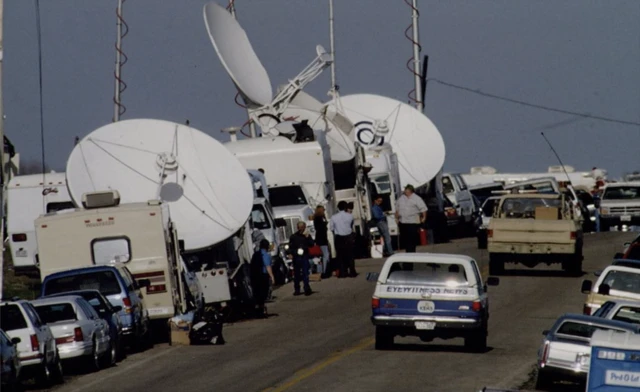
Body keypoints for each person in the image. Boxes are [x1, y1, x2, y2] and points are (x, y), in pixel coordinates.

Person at [395, 184, 428, 253]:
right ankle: (408, 253)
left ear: (411, 191)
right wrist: (396, 218)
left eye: (407, 190)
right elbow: (397, 209)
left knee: (411, 240)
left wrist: (424, 217)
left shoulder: (417, 198)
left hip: (412, 222)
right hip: (403, 222)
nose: (405, 191)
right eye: (405, 190)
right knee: (405, 240)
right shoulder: (401, 198)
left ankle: (412, 253)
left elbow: (423, 209)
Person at [330, 201, 357, 277]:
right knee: (350, 255)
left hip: (339, 237)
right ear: (345, 207)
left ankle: (342, 272)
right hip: (348, 236)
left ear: (338, 207)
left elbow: (331, 228)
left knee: (340, 256)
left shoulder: (334, 217)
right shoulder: (350, 216)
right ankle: (352, 271)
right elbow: (351, 226)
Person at [250, 239, 275, 318]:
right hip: (263, 276)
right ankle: (262, 310)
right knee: (263, 293)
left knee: (257, 293)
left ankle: (258, 310)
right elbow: (267, 266)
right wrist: (272, 276)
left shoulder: (255, 254)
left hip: (255, 276)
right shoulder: (265, 255)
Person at [288, 221, 314, 296]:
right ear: (298, 228)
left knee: (305, 273)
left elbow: (312, 244)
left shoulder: (307, 236)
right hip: (296, 257)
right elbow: (290, 247)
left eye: (303, 227)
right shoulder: (293, 236)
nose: (302, 229)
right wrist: (291, 253)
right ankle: (297, 289)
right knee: (297, 274)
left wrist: (308, 237)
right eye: (300, 227)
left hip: (304, 256)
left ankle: (306, 288)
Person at [313, 205, 331, 278]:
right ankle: (324, 271)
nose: (324, 211)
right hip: (322, 239)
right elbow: (320, 228)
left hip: (319, 239)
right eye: (323, 209)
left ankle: (320, 270)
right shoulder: (320, 218)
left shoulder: (316, 218)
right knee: (325, 255)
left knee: (320, 256)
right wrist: (325, 224)